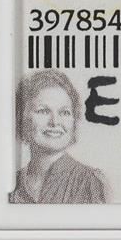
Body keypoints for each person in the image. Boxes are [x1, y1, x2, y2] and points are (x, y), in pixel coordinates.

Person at [10, 70, 108, 203]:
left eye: (64, 112)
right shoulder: (11, 183)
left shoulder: (89, 182)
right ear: (22, 117)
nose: (55, 122)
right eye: (43, 111)